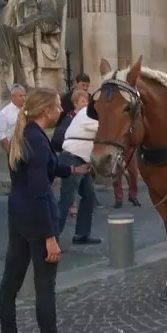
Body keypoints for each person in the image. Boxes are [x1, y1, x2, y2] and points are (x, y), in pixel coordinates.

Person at [0, 87, 88, 333]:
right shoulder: (36, 140)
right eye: (57, 107)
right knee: (44, 288)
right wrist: (50, 237)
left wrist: (72, 171)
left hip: (19, 216)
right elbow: (39, 190)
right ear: (45, 111)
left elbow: (44, 169)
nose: (61, 111)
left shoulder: (29, 135)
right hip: (38, 219)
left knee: (10, 284)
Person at [56, 90, 101, 244]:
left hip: (82, 160)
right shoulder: (86, 113)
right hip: (72, 158)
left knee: (88, 196)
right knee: (67, 199)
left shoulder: (89, 113)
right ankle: (52, 237)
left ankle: (81, 234)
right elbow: (102, 127)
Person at [0, 84, 26, 155]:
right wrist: (10, 152)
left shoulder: (27, 111)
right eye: (20, 96)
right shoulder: (4, 113)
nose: (23, 98)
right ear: (12, 97)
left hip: (28, 148)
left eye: (24, 95)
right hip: (13, 150)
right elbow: (1, 135)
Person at [112, 144, 141, 209]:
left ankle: (133, 196)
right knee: (116, 175)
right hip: (116, 149)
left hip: (130, 149)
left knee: (133, 174)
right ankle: (118, 199)